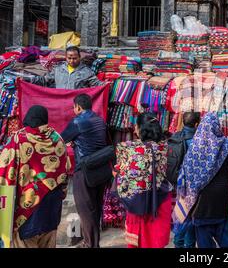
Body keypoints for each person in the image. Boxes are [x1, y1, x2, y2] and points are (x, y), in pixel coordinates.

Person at [0, 105, 70, 248]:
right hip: (51, 208)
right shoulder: (58, 139)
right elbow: (65, 171)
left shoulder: (18, 139)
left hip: (26, 209)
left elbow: (5, 169)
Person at [173, 113, 228, 248]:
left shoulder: (194, 147)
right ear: (217, 126)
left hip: (201, 205)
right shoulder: (226, 144)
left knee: (205, 244)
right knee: (227, 242)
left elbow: (188, 173)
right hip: (222, 201)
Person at [115, 113, 172, 248]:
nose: (134, 129)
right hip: (160, 199)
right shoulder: (165, 147)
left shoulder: (126, 148)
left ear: (141, 129)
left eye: (136, 126)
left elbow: (121, 171)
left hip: (137, 201)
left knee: (138, 241)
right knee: (155, 240)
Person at [61, 94, 108, 248]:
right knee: (96, 206)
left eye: (74, 107)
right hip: (101, 168)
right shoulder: (100, 120)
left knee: (86, 209)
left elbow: (61, 139)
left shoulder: (78, 121)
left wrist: (72, 143)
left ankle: (90, 244)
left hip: (84, 169)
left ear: (78, 107)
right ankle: (93, 242)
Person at [167, 112, 201, 248]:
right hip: (191, 184)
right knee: (189, 217)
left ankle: (181, 243)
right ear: (197, 124)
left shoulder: (175, 137)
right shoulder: (197, 140)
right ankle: (184, 244)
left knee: (182, 214)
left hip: (178, 183)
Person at [29, 46, 103, 89]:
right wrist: (27, 79)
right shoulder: (58, 69)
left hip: (76, 106)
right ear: (66, 58)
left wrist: (106, 85)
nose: (71, 61)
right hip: (60, 102)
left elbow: (97, 84)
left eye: (74, 58)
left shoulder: (87, 72)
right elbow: (44, 80)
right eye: (69, 58)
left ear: (79, 57)